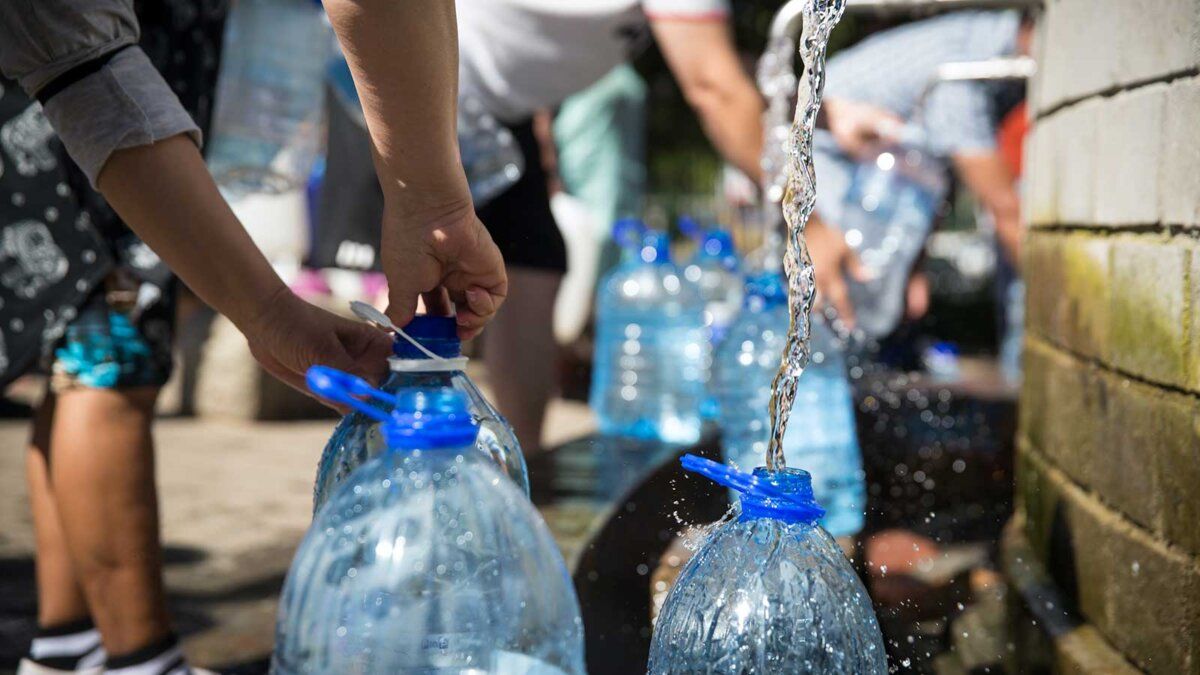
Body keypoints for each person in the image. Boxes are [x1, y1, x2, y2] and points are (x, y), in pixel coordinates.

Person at [0, 1, 506, 672]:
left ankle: (67, 645)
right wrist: (435, 207)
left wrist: (269, 312)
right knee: (110, 352)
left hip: (86, 84)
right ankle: (138, 656)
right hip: (89, 99)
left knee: (76, 352)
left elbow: (80, 60)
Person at [457, 0, 767, 454]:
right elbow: (713, 85)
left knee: (535, 259)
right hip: (421, 87)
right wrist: (810, 214)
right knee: (424, 271)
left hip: (505, 109)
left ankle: (523, 468)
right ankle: (390, 466)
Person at [809, 10, 1033, 331]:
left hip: (879, 177)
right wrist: (1058, 308)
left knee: (856, 308)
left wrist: (915, 262)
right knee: (830, 302)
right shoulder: (964, 69)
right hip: (826, 155)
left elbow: (940, 175)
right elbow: (1004, 207)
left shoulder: (981, 44)